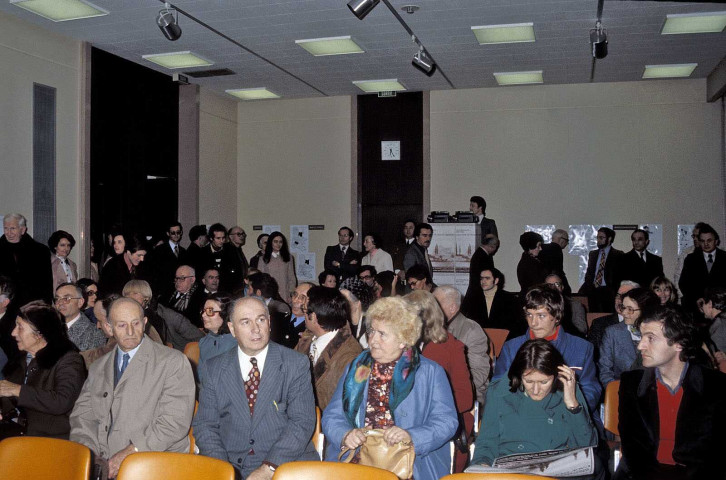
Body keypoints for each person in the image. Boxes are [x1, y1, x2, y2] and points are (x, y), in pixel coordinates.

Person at [322, 296, 458, 480]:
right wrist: (345, 434)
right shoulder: (357, 368)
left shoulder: (429, 372)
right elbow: (332, 415)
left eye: (382, 334)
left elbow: (447, 422)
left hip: (409, 464)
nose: (372, 341)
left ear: (404, 339)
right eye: (371, 332)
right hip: (357, 461)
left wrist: (412, 436)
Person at [193, 297, 319, 479]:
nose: (256, 329)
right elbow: (206, 426)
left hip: (285, 464)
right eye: (245, 322)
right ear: (232, 329)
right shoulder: (213, 369)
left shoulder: (295, 364)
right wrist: (223, 470)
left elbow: (301, 423)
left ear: (269, 323)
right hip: (231, 464)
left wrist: (268, 468)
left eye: (261, 319)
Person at [70, 298, 196, 480]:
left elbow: (173, 423)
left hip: (154, 464)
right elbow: (82, 416)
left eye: (135, 323)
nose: (130, 332)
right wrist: (90, 455)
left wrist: (129, 453)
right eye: (121, 325)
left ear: (144, 323)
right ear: (108, 327)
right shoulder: (98, 367)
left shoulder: (173, 362)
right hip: (103, 465)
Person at [616, 305, 726, 480]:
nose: (640, 346)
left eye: (651, 338)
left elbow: (716, 454)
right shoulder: (632, 384)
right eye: (642, 337)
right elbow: (633, 451)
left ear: (679, 344)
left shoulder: (716, 386)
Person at [471, 339, 598, 468]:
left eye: (544, 382)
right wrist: (483, 464)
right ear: (519, 376)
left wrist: (573, 406)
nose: (536, 390)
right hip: (511, 469)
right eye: (529, 381)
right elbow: (487, 442)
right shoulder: (499, 392)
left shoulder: (569, 389)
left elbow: (586, 449)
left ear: (556, 376)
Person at [494, 286, 601, 418]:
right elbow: (497, 388)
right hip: (523, 417)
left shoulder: (582, 348)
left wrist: (568, 408)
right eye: (529, 315)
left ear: (557, 316)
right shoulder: (511, 348)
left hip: (568, 417)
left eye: (541, 316)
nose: (533, 323)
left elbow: (591, 390)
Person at [408, 289, 474, 473]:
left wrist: (425, 413)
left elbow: (465, 397)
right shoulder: (400, 344)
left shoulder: (451, 346)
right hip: (407, 426)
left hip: (442, 424)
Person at [0, 301, 86, 439]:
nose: (13, 333)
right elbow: (12, 401)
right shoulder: (21, 359)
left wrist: (17, 390)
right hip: (19, 435)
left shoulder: (68, 360)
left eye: (20, 327)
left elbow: (61, 401)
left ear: (39, 334)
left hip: (52, 442)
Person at [295, 286, 362, 410]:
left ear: (313, 317)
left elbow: (344, 407)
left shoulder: (350, 357)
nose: (303, 314)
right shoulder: (308, 337)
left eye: (304, 309)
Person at [434, 285, 491, 406]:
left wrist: (444, 390)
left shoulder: (471, 330)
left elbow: (479, 374)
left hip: (466, 395)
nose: (432, 309)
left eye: (436, 304)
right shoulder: (431, 327)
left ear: (452, 308)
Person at [598, 288, 659, 387]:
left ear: (645, 310)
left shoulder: (659, 334)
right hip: (621, 392)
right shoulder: (612, 333)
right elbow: (605, 372)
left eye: (630, 309)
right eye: (623, 307)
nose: (624, 313)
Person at [123, 280, 203, 351]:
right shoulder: (122, 316)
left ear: (146, 297)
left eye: (135, 293)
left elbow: (199, 336)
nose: (130, 296)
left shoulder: (167, 316)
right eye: (127, 294)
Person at [0, 213, 53, 305]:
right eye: (6, 228)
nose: (9, 233)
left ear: (23, 229)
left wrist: (44, 305)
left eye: (13, 228)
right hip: (4, 304)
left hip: (31, 304)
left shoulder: (40, 251)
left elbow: (46, 283)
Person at [679, 224, 726, 313]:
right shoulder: (691, 259)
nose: (706, 244)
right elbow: (683, 283)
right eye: (702, 241)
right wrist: (696, 298)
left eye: (709, 240)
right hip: (696, 308)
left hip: (722, 307)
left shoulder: (724, 257)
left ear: (716, 241)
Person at [588, 281, 640, 358]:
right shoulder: (600, 324)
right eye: (618, 296)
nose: (619, 300)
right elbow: (592, 356)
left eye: (625, 296)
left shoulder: (645, 324)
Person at [579, 227, 624, 313]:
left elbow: (619, 275)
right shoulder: (593, 254)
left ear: (609, 239)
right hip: (593, 290)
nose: (598, 240)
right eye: (597, 237)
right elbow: (589, 273)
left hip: (609, 291)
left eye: (601, 238)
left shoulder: (618, 254)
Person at [54, 282, 106, 351]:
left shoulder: (94, 335)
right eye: (57, 299)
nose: (60, 303)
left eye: (66, 298)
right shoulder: (48, 328)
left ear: (80, 302)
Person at [198, 294, 237, 382]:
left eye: (210, 311)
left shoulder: (238, 343)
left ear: (226, 314)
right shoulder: (204, 342)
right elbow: (201, 377)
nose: (203, 315)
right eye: (203, 311)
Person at [478, 268, 526, 338]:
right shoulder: (473, 299)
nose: (483, 281)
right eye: (481, 278)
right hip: (479, 341)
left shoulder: (510, 299)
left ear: (496, 280)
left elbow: (518, 325)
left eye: (487, 278)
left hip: (505, 340)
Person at [461, 234, 499, 320]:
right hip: (478, 294)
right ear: (492, 246)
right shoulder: (484, 257)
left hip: (474, 292)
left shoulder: (479, 254)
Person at [258, 231, 297, 304]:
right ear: (270, 242)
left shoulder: (289, 258)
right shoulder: (263, 259)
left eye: (280, 242)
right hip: (269, 294)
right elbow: (261, 279)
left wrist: (291, 293)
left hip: (285, 294)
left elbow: (291, 277)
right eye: (275, 241)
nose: (278, 244)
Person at [150, 221, 186, 298]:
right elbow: (154, 273)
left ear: (181, 232)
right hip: (163, 292)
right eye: (173, 233)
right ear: (168, 234)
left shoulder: (184, 252)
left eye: (178, 232)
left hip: (179, 292)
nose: (176, 235)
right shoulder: (159, 250)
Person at [539, 228, 572, 294]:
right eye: (567, 240)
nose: (567, 243)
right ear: (561, 240)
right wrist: (566, 288)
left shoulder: (542, 248)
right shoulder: (557, 249)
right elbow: (558, 270)